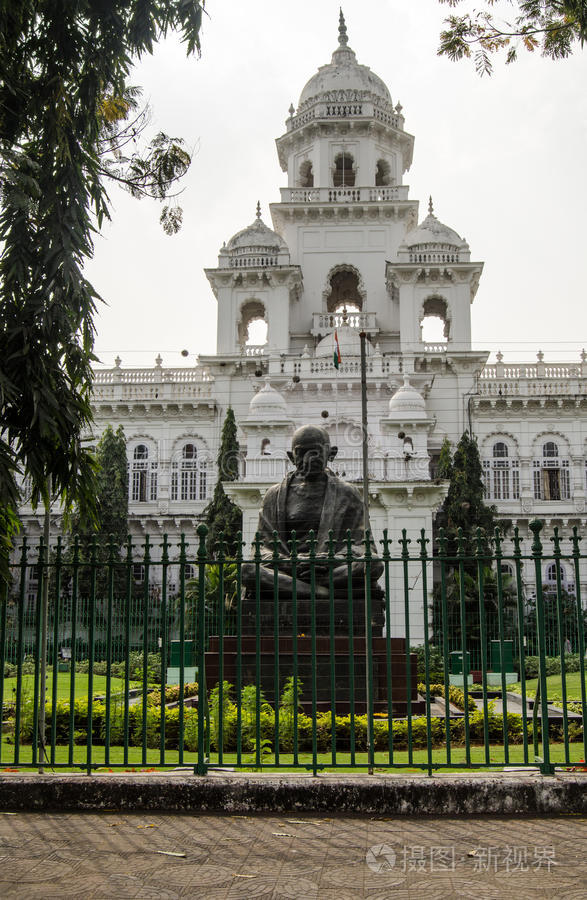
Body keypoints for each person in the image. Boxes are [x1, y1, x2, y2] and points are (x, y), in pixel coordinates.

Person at [242, 424, 383, 600]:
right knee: (248, 570)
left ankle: (302, 589)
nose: (310, 458)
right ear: (291, 457)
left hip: (330, 572)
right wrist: (292, 563)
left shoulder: (347, 493)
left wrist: (329, 560)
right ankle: (318, 592)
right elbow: (261, 550)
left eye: (317, 451)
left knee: (373, 564)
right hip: (290, 571)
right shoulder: (274, 496)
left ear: (331, 454)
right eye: (302, 452)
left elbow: (364, 547)